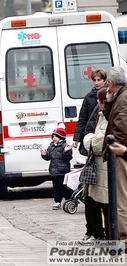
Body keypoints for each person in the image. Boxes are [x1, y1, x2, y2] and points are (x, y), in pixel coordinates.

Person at [101, 65, 127, 241]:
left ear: (110, 82)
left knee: (121, 199)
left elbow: (121, 130)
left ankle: (123, 236)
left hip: (120, 155)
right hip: (120, 153)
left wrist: (116, 149)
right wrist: (109, 103)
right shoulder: (120, 97)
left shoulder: (124, 99)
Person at [82, 87, 108, 240]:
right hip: (97, 166)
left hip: (102, 166)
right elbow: (85, 125)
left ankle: (103, 234)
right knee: (92, 200)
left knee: (102, 203)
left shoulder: (106, 116)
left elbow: (97, 144)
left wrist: (87, 139)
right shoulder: (99, 114)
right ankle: (95, 232)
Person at [73, 69, 107, 154]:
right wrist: (77, 139)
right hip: (91, 133)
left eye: (99, 80)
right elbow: (82, 119)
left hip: (104, 132)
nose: (96, 83)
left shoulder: (109, 95)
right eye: (94, 80)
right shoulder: (89, 97)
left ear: (105, 80)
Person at [40, 127, 73, 210]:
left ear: (61, 138)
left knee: (65, 186)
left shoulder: (65, 146)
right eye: (53, 136)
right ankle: (57, 201)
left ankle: (69, 200)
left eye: (56, 136)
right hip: (54, 171)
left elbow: (68, 158)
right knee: (56, 187)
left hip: (63, 171)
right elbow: (48, 157)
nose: (54, 138)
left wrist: (66, 152)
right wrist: (44, 155)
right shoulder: (51, 147)